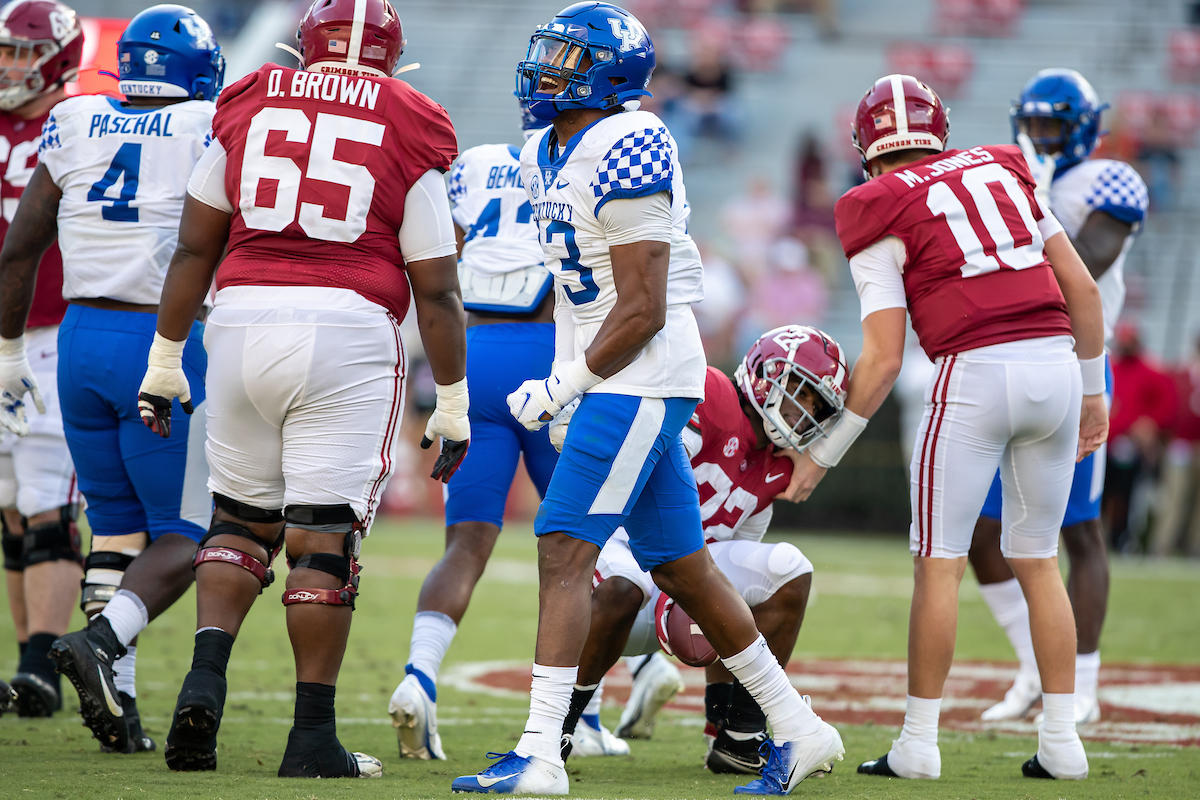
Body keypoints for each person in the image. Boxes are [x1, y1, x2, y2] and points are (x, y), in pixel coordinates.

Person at [452, 5, 843, 795]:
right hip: (616, 372)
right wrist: (566, 376)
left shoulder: (634, 141)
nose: (546, 69)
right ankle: (803, 731)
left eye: (565, 58)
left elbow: (642, 306)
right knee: (684, 567)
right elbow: (574, 292)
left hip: (643, 374)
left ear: (607, 74)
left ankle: (540, 752)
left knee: (564, 549)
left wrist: (567, 383)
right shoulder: (540, 148)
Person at [136, 0, 468, 779]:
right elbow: (439, 289)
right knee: (322, 537)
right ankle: (310, 736)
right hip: (345, 330)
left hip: (240, 318)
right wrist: (451, 402)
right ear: (393, 58)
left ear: (304, 43)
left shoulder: (252, 98)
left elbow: (194, 245)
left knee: (239, 519)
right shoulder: (410, 120)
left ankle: (202, 683)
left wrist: (163, 359)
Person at [789, 74, 1108, 781]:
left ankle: (919, 745)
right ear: (940, 132)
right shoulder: (1005, 167)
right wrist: (1094, 395)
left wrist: (823, 453)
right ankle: (1062, 742)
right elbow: (1082, 289)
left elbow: (881, 360)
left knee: (939, 565)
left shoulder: (874, 205)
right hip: (1057, 366)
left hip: (974, 375)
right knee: (1039, 558)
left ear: (866, 148)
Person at [0, 4, 222, 753]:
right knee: (187, 534)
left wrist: (6, 356)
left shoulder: (74, 120)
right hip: (160, 339)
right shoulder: (204, 125)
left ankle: (119, 705)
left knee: (117, 529)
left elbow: (18, 252)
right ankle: (100, 643)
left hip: (78, 339)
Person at [559, 326, 847, 776]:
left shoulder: (773, 470)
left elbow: (734, 598)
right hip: (620, 550)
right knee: (624, 587)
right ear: (765, 372)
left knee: (788, 570)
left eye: (817, 406)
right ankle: (556, 730)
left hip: (684, 579)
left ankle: (739, 737)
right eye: (800, 392)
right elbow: (647, 485)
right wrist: (669, 580)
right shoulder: (710, 392)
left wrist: (718, 709)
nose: (806, 411)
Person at [967, 69, 1150, 726]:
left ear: (1083, 129)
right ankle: (1034, 668)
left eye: (1053, 126)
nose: (1040, 136)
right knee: (985, 536)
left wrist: (1033, 204)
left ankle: (1085, 683)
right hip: (1013, 365)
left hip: (1077, 371)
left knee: (1078, 532)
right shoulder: (1014, 174)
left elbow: (1084, 266)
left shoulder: (1109, 180)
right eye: (1034, 124)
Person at [388, 99, 561, 761]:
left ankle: (419, 675)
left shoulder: (477, 165)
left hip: (474, 355)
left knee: (463, 545)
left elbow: (441, 257)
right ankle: (589, 712)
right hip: (549, 357)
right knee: (580, 544)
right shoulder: (577, 160)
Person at [0, 0, 82, 719]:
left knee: (46, 500)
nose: (7, 65)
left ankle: (41, 665)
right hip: (5, 329)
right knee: (10, 508)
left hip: (55, 329)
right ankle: (26, 669)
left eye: (20, 54)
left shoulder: (79, 120)